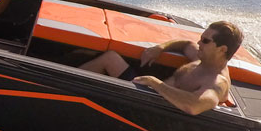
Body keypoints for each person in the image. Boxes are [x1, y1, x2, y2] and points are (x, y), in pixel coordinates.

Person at [80, 21, 244, 115]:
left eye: (205, 41)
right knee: (110, 58)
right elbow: (186, 44)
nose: (199, 43)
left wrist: (155, 83)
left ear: (222, 49)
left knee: (109, 61)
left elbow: (194, 106)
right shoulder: (202, 57)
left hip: (148, 110)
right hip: (144, 93)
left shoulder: (217, 82)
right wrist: (160, 48)